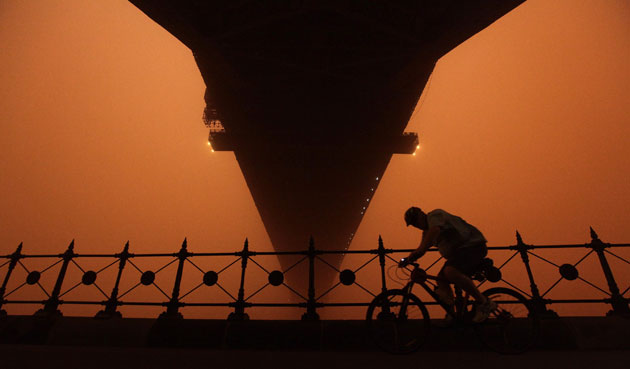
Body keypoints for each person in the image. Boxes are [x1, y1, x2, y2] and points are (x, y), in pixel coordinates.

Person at [401, 207, 496, 323]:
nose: (416, 224)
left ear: (421, 213)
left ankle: (484, 303)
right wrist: (409, 258)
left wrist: (418, 252)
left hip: (472, 247)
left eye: (415, 220)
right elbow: (422, 246)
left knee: (450, 272)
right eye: (413, 224)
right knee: (441, 280)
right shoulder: (427, 232)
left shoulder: (434, 216)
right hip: (459, 254)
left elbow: (434, 231)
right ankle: (451, 312)